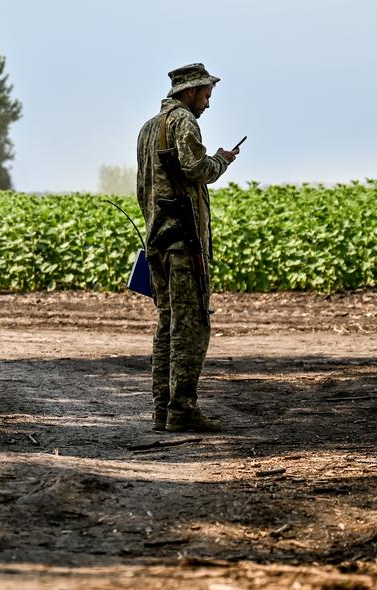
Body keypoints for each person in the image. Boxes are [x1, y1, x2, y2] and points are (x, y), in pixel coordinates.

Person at [135, 63, 238, 432]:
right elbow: (197, 168)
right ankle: (182, 409)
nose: (208, 103)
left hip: (158, 242)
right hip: (183, 243)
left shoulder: (148, 129)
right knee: (190, 325)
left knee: (167, 323)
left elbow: (143, 190)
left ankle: (163, 409)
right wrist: (222, 161)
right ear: (190, 92)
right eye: (206, 94)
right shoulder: (184, 123)